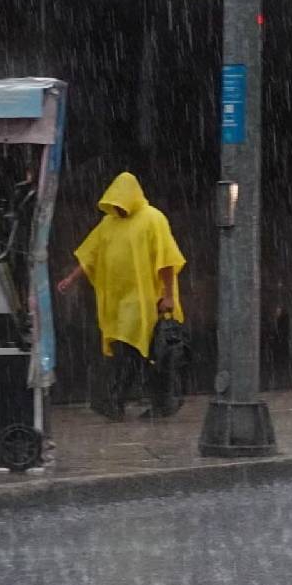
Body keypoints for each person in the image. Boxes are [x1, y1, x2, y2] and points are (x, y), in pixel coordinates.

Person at [57, 172, 187, 421]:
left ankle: (124, 400)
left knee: (150, 353)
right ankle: (137, 401)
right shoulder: (109, 223)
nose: (118, 208)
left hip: (147, 300)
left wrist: (168, 296)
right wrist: (71, 279)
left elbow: (167, 260)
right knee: (133, 352)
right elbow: (91, 254)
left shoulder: (153, 219)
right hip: (119, 303)